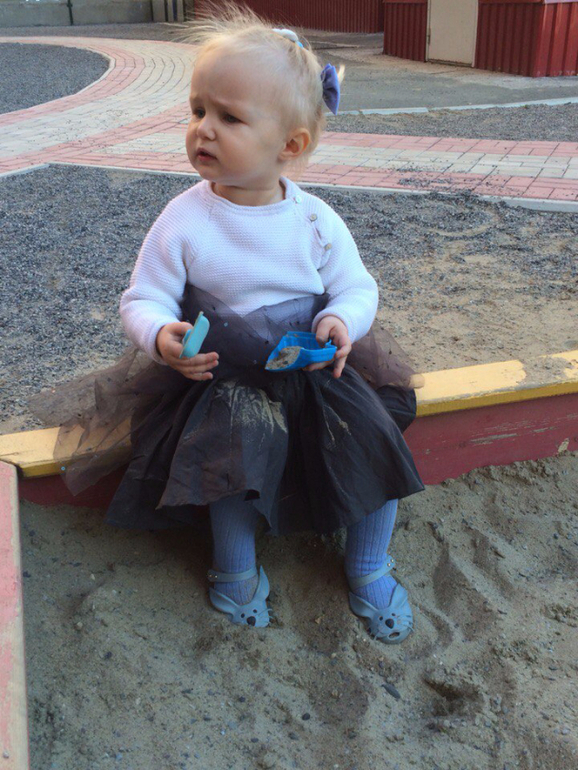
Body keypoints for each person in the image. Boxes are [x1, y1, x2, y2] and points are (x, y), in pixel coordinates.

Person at [35, 4, 424, 644]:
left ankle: (368, 564)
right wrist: (160, 336)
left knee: (373, 451)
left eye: (230, 118)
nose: (204, 130)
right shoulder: (184, 219)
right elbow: (143, 298)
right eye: (198, 110)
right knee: (231, 474)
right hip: (226, 380)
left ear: (290, 145)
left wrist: (340, 319)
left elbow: (357, 286)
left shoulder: (315, 220)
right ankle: (235, 570)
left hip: (314, 372)